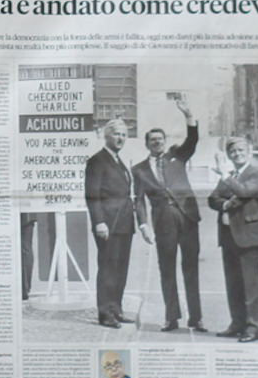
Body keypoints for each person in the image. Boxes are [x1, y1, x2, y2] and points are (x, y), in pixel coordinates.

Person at [131, 97, 205, 332]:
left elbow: (192, 140)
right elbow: (139, 200)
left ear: (165, 142)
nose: (157, 143)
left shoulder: (177, 156)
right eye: (153, 140)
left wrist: (188, 115)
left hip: (188, 218)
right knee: (167, 270)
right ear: (147, 144)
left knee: (191, 268)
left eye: (160, 139)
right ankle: (171, 317)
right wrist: (143, 226)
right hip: (163, 224)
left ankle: (196, 318)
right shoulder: (139, 170)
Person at [84, 119, 145, 328]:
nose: (120, 138)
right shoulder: (97, 161)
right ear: (106, 136)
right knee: (108, 269)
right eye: (116, 134)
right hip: (108, 225)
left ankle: (117, 309)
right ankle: (105, 313)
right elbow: (92, 195)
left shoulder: (119, 161)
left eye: (123, 135)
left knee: (120, 269)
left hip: (124, 225)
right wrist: (99, 222)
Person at [211, 134, 258, 342]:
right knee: (233, 283)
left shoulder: (257, 173)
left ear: (249, 151)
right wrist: (226, 204)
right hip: (228, 236)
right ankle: (237, 323)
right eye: (232, 152)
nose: (236, 154)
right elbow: (213, 199)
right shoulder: (231, 175)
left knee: (250, 285)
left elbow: (244, 193)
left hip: (249, 237)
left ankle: (254, 327)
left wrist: (227, 179)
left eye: (240, 151)